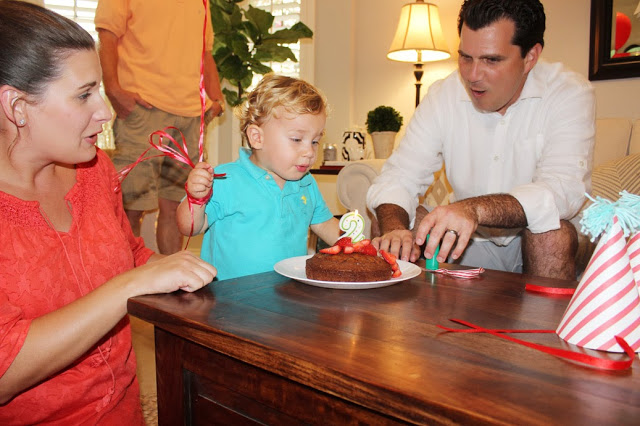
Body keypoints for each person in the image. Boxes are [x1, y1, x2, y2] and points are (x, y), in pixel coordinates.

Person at [0, 2, 216, 423]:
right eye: (84, 95)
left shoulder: (95, 169)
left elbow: (127, 254)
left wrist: (186, 277)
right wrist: (130, 285)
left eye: (99, 90)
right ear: (17, 106)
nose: (104, 111)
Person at [367, 0, 595, 280]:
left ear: (530, 57)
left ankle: (545, 313)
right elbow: (399, 177)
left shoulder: (569, 92)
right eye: (465, 57)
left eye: (491, 60)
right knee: (389, 224)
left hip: (539, 243)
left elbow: (562, 191)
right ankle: (415, 311)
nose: (472, 76)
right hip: (469, 242)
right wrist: (394, 229)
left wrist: (474, 209)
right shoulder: (443, 94)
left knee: (551, 232)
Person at [177, 74, 342, 280]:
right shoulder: (225, 179)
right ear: (257, 137)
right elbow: (189, 228)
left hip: (289, 291)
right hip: (230, 296)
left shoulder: (306, 182)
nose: (309, 152)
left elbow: (324, 224)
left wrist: (357, 244)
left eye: (315, 141)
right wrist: (195, 199)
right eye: (297, 139)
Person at [95, 0, 225, 255]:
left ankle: (172, 276)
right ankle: (126, 278)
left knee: (178, 208)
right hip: (144, 110)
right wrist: (113, 90)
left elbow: (205, 52)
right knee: (129, 209)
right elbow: (107, 34)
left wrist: (216, 99)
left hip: (191, 115)